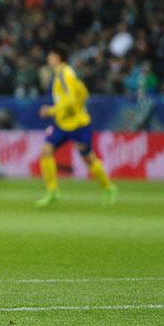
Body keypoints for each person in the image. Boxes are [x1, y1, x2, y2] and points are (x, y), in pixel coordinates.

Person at [36, 43, 117, 208]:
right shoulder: (62, 73)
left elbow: (72, 98)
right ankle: (52, 192)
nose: (48, 59)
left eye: (50, 56)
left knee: (89, 158)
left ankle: (109, 187)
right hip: (62, 123)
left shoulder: (65, 73)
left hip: (78, 123)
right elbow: (83, 92)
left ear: (58, 57)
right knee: (46, 151)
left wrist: (52, 110)